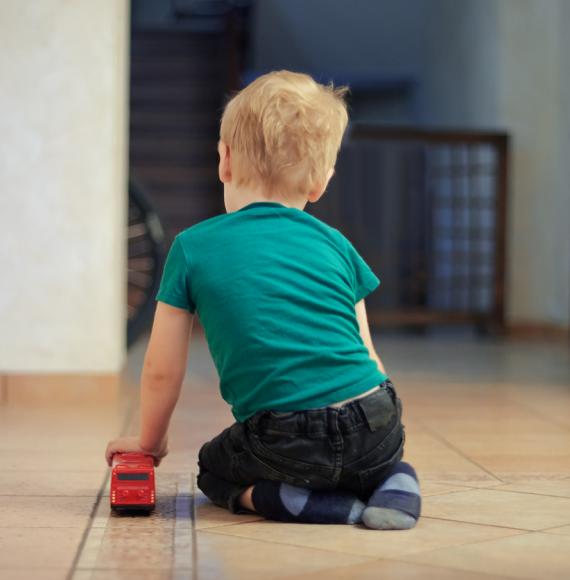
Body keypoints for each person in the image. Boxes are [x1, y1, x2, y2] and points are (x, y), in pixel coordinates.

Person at [106, 70, 421, 529]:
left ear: (224, 161)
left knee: (214, 468)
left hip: (284, 438)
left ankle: (293, 499)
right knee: (373, 458)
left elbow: (161, 368)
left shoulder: (193, 247)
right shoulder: (336, 245)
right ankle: (394, 479)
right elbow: (366, 354)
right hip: (377, 422)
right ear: (321, 183)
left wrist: (149, 444)